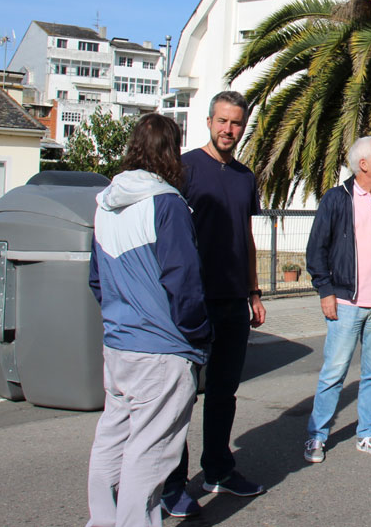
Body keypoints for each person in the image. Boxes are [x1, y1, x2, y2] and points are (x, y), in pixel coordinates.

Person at [87, 114, 210, 527]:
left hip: (118, 344)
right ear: (172, 151)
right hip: (162, 349)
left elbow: (96, 279)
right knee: (150, 451)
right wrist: (198, 334)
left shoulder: (105, 203)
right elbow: (184, 282)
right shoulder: (167, 203)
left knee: (112, 439)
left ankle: (102, 521)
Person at [162, 91, 267, 517]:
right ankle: (171, 484)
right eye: (222, 121)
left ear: (243, 127)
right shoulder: (184, 169)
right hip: (191, 301)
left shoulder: (245, 176)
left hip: (233, 301)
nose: (228, 130)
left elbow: (247, 236)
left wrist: (255, 292)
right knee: (180, 397)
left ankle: (218, 470)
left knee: (224, 392)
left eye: (236, 123)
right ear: (208, 122)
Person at [302, 136, 371, 463]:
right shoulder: (337, 200)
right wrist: (325, 290)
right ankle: (316, 436)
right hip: (346, 303)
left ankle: (366, 434)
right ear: (363, 164)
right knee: (334, 372)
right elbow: (316, 250)